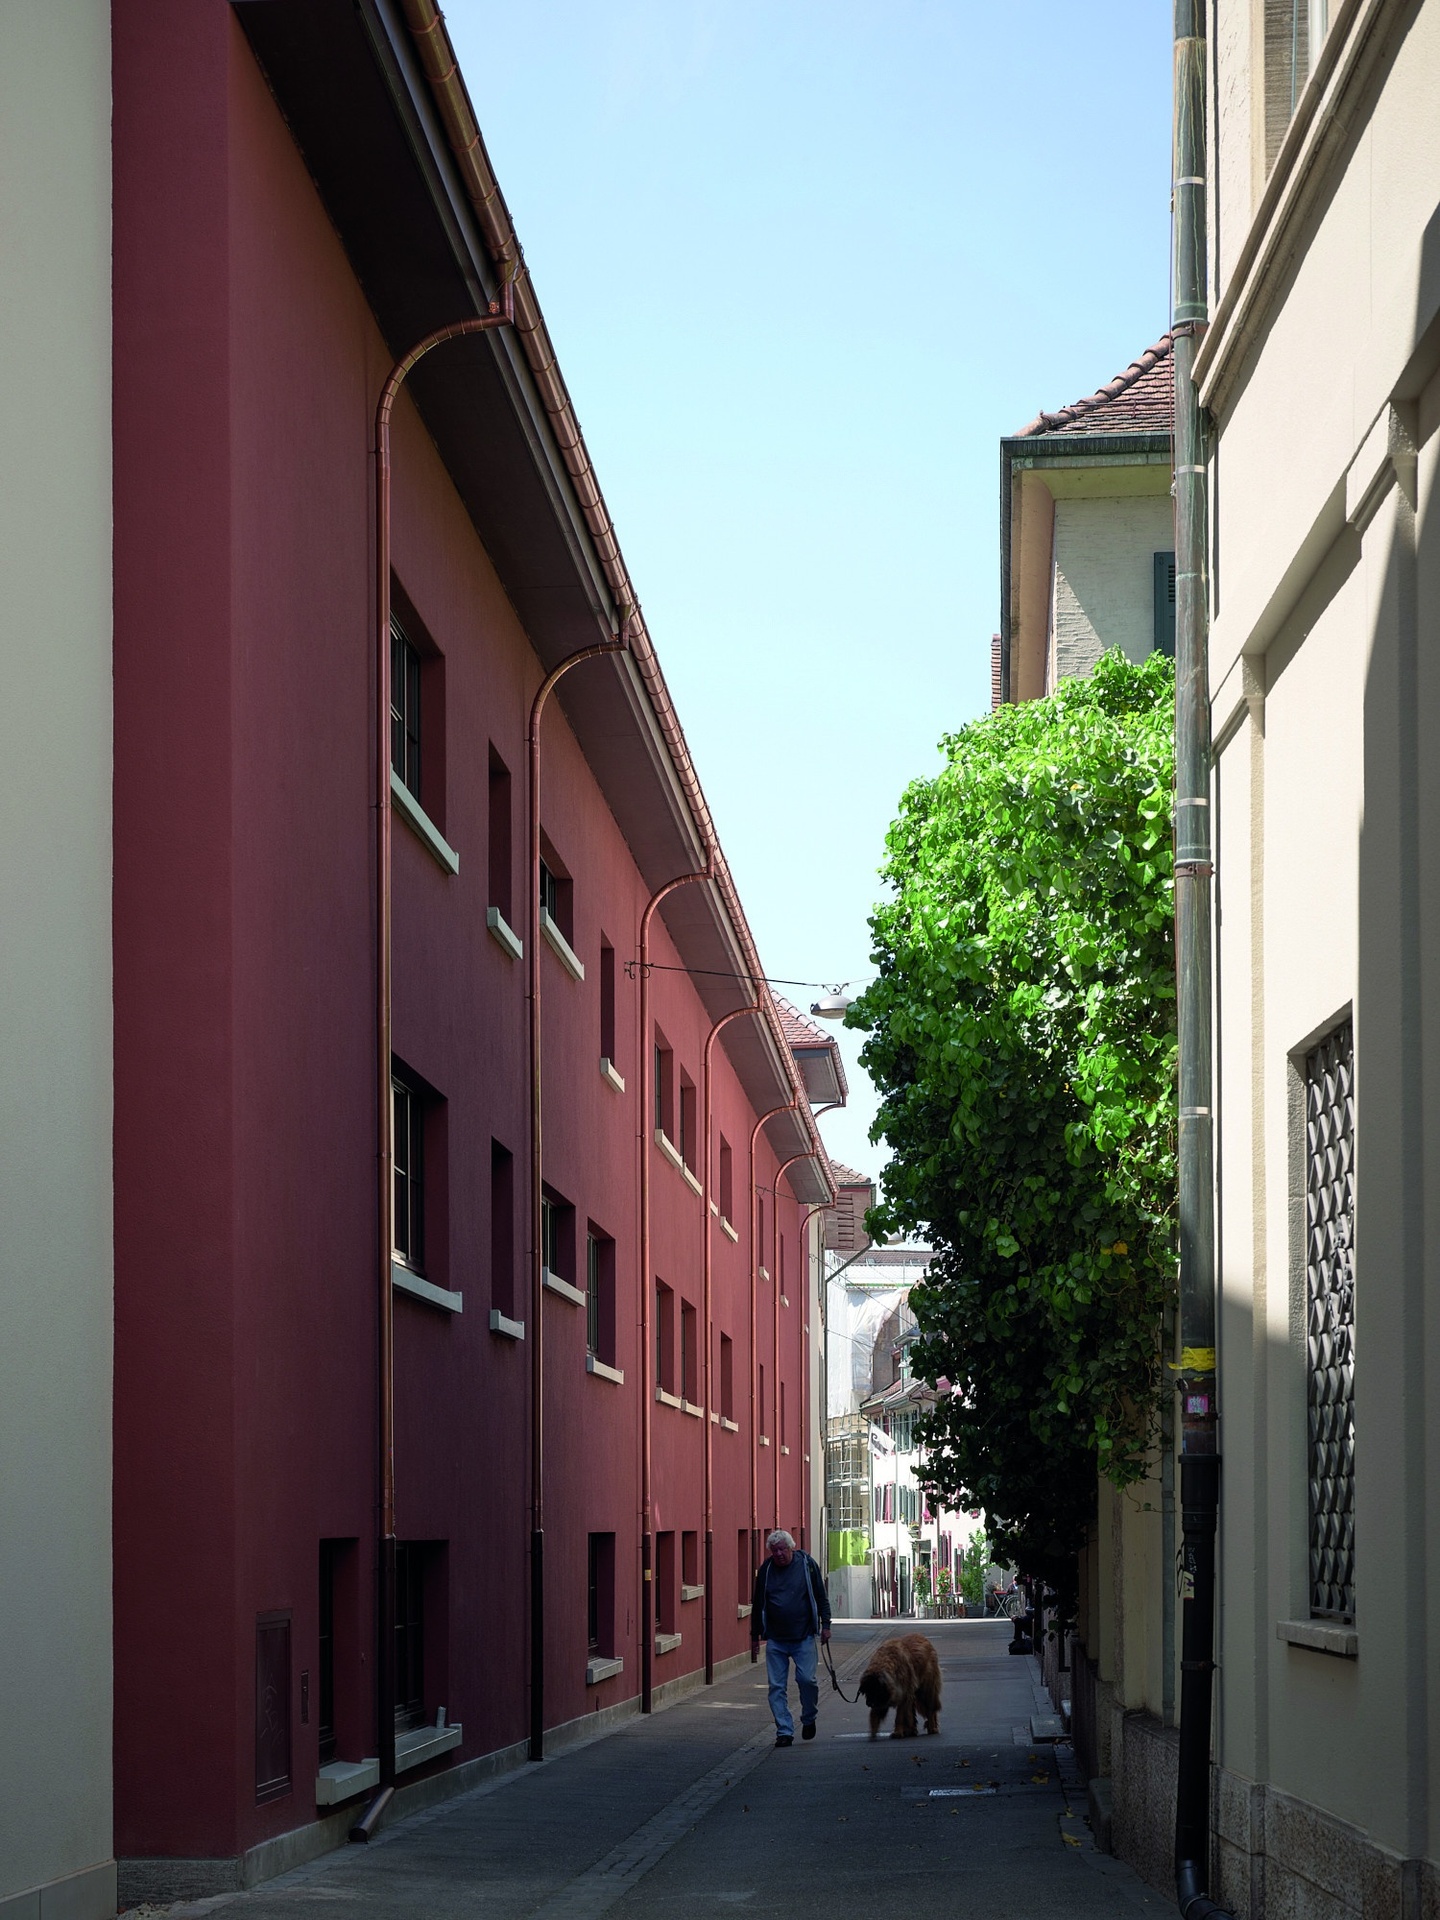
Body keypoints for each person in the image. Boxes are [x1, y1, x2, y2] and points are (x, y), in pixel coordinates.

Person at [749, 1529, 832, 1746]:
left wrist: (826, 1625)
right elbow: (758, 1603)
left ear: (791, 1547)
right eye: (774, 1550)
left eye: (782, 1549)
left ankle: (809, 1717)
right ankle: (784, 1731)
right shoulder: (766, 1570)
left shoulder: (807, 1565)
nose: (778, 1554)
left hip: (803, 1636)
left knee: (807, 1680)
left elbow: (820, 1596)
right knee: (776, 1687)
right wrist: (754, 1635)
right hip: (776, 1639)